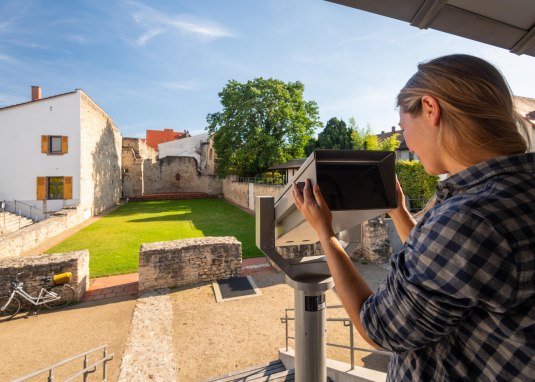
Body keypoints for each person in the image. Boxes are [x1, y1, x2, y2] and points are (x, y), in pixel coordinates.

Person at [292, 54, 535, 381]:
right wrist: (399, 211)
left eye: (405, 128)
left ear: (431, 109)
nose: (405, 141)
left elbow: (377, 327)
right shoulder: (512, 193)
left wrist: (326, 232)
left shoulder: (468, 218)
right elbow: (449, 270)